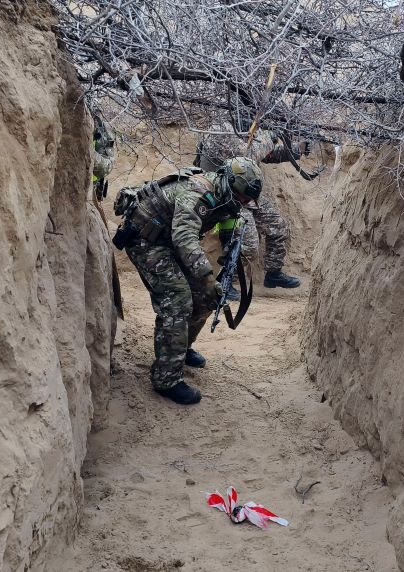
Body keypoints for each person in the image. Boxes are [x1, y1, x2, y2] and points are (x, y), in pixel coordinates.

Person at [116, 157, 263, 405]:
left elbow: (229, 222)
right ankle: (166, 379)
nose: (244, 203)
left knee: (207, 298)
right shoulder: (198, 192)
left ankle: (180, 348)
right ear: (229, 184)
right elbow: (184, 237)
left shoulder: (229, 199)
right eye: (241, 198)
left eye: (247, 200)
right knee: (177, 299)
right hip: (146, 240)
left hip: (169, 241)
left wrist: (231, 245)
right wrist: (207, 277)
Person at [195, 125, 308, 298]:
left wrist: (296, 150)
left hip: (244, 191)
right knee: (248, 244)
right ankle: (225, 283)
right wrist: (270, 136)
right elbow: (247, 155)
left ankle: (273, 273)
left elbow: (267, 155)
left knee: (278, 225)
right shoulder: (221, 128)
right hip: (226, 196)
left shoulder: (244, 129)